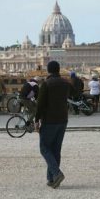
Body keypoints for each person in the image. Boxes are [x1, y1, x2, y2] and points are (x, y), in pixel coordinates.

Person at [35, 61, 72, 189]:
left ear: (48, 70)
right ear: (59, 70)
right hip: (63, 119)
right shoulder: (65, 83)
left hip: (49, 120)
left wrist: (36, 120)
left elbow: (40, 104)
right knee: (56, 149)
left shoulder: (46, 84)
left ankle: (56, 173)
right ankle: (51, 179)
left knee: (44, 148)